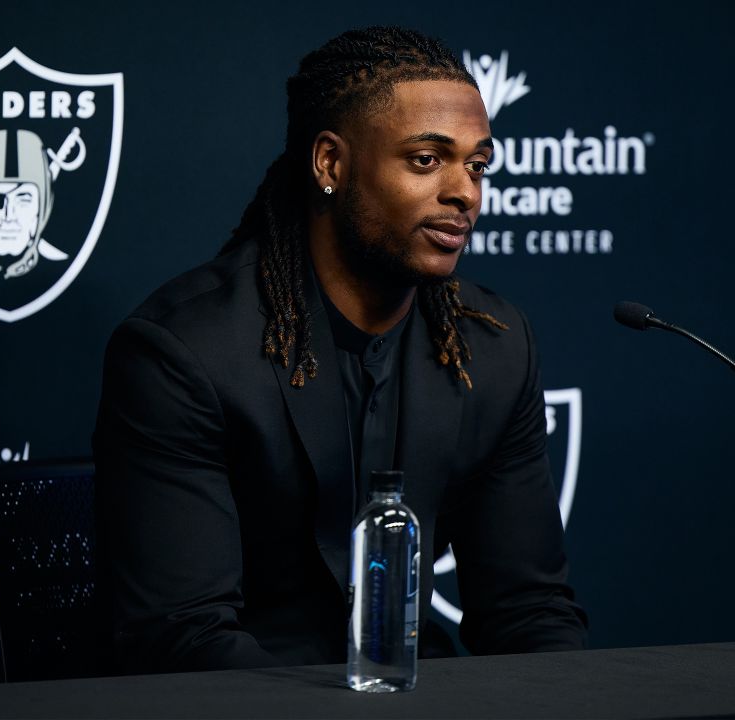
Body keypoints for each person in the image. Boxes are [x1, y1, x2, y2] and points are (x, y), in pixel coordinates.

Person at [93, 26, 588, 674]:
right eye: (426, 160)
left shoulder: (493, 346)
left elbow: (529, 612)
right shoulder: (186, 354)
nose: (465, 192)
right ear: (330, 164)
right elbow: (186, 640)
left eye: (476, 164)